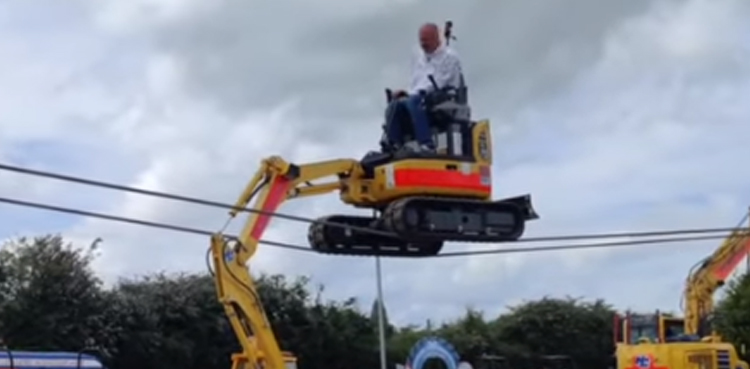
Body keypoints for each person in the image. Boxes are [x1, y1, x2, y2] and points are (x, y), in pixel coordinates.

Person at [384, 22, 464, 152]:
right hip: (419, 94)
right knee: (395, 104)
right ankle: (394, 143)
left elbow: (439, 82)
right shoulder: (420, 58)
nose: (423, 44)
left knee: (414, 101)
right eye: (421, 40)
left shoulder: (450, 57)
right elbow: (415, 82)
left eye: (426, 40)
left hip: (442, 95)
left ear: (436, 37)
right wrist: (405, 93)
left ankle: (426, 143)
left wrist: (414, 94)